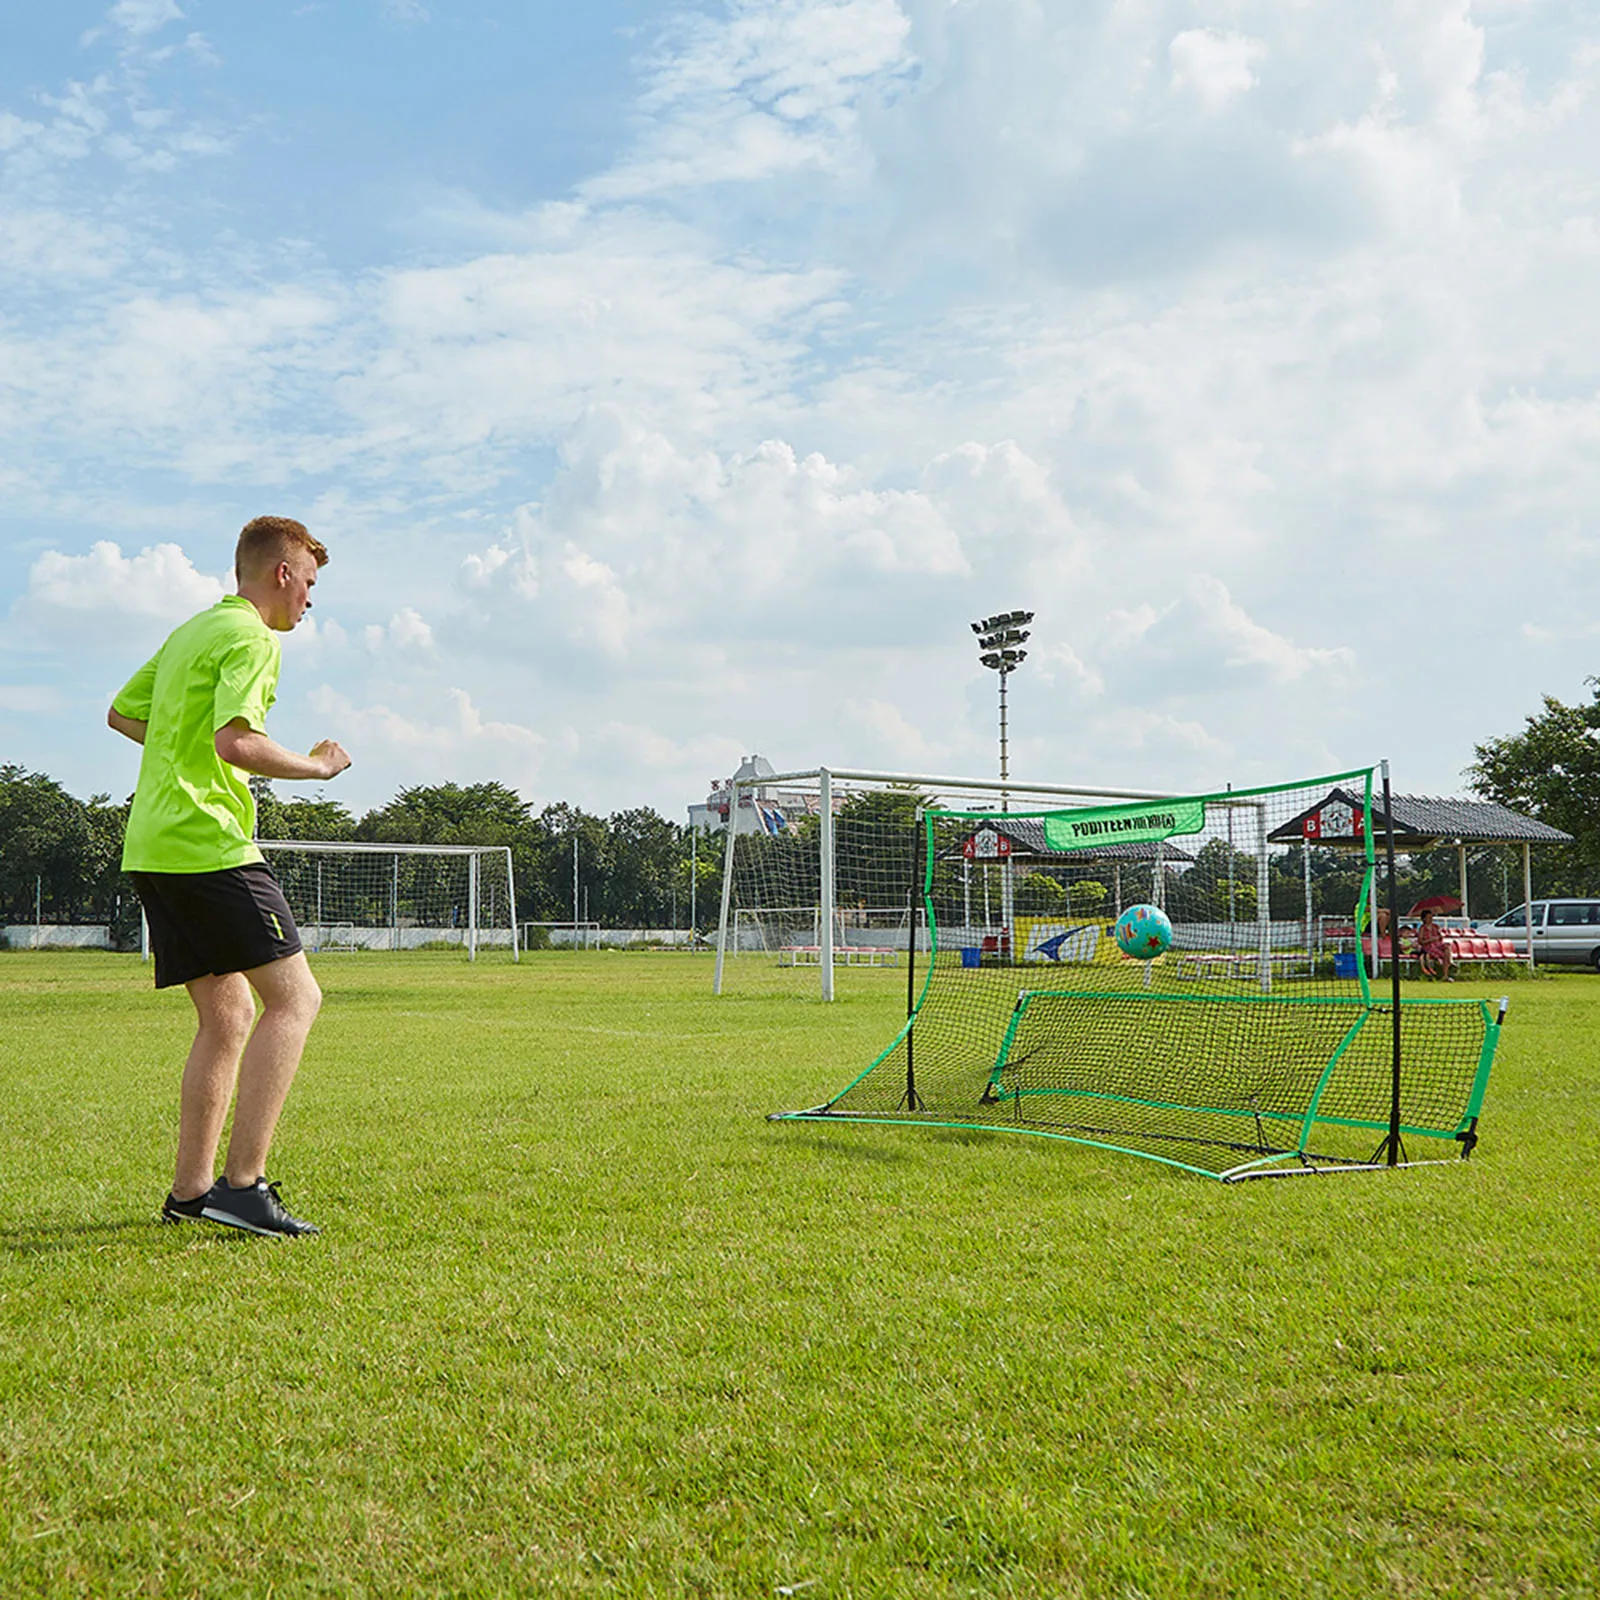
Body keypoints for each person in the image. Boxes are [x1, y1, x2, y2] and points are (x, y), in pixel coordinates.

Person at [108, 516, 351, 1237]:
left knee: (230, 1014)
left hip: (153, 845)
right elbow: (235, 740)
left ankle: (191, 1193)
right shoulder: (251, 636)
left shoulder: (193, 632)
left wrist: (185, 751)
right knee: (296, 999)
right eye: (309, 582)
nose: (310, 598)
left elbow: (124, 715)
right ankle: (243, 1186)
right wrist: (317, 767)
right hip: (206, 844)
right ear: (281, 574)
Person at [1412, 908, 1457, 981]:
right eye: (1428, 917)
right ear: (1424, 919)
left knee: (1447, 946)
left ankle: (1449, 963)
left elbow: (1440, 938)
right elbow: (1420, 941)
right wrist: (1431, 939)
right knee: (1444, 954)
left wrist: (1440, 936)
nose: (1431, 919)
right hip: (1429, 947)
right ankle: (1446, 971)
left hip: (1438, 945)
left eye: (1431, 917)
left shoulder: (1436, 926)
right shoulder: (1422, 928)